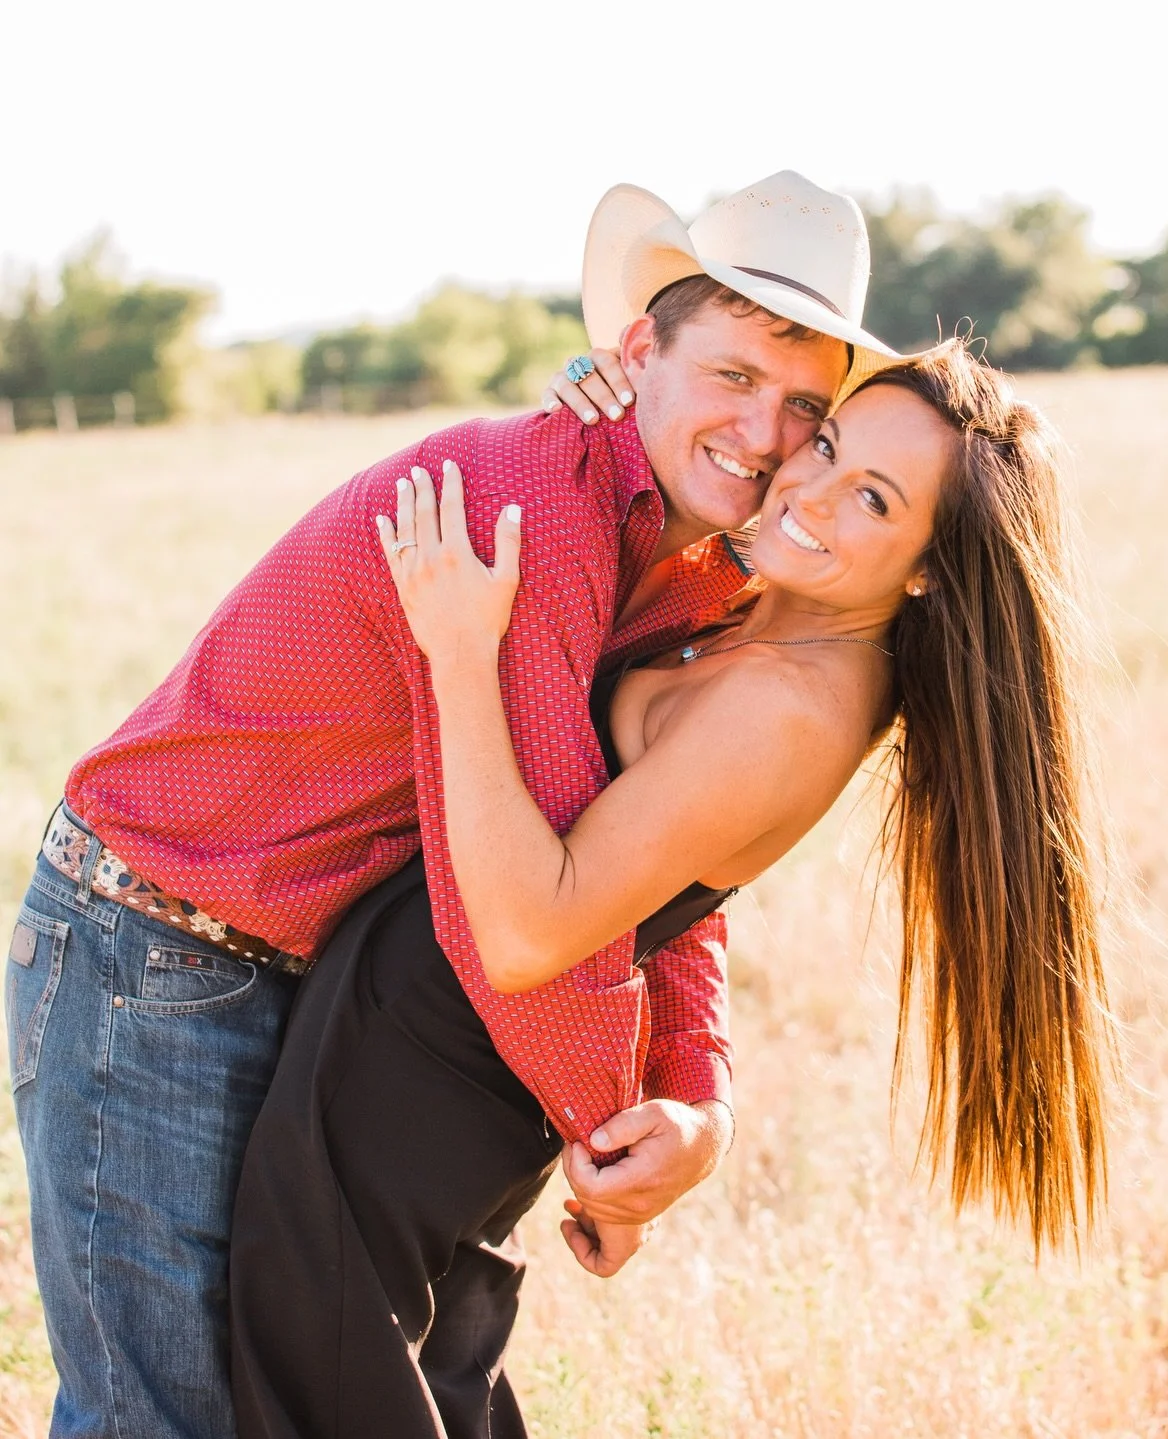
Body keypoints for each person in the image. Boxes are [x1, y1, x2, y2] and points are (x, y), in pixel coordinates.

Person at [5, 170, 889, 1439]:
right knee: (164, 1413)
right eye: (735, 376)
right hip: (149, 949)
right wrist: (612, 1138)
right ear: (638, 349)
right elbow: (518, 924)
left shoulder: (699, 572)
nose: (764, 432)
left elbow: (657, 861)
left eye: (803, 406)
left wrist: (697, 1084)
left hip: (297, 976)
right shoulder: (519, 510)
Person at [226, 335, 1116, 1435]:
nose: (808, 490)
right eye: (825, 443)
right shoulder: (770, 619)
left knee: (327, 1398)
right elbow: (662, 879)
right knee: (391, 1392)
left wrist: (459, 654)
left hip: (421, 1080)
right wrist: (611, 406)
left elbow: (526, 931)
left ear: (932, 561)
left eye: (872, 498)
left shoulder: (791, 702)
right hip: (439, 1063)